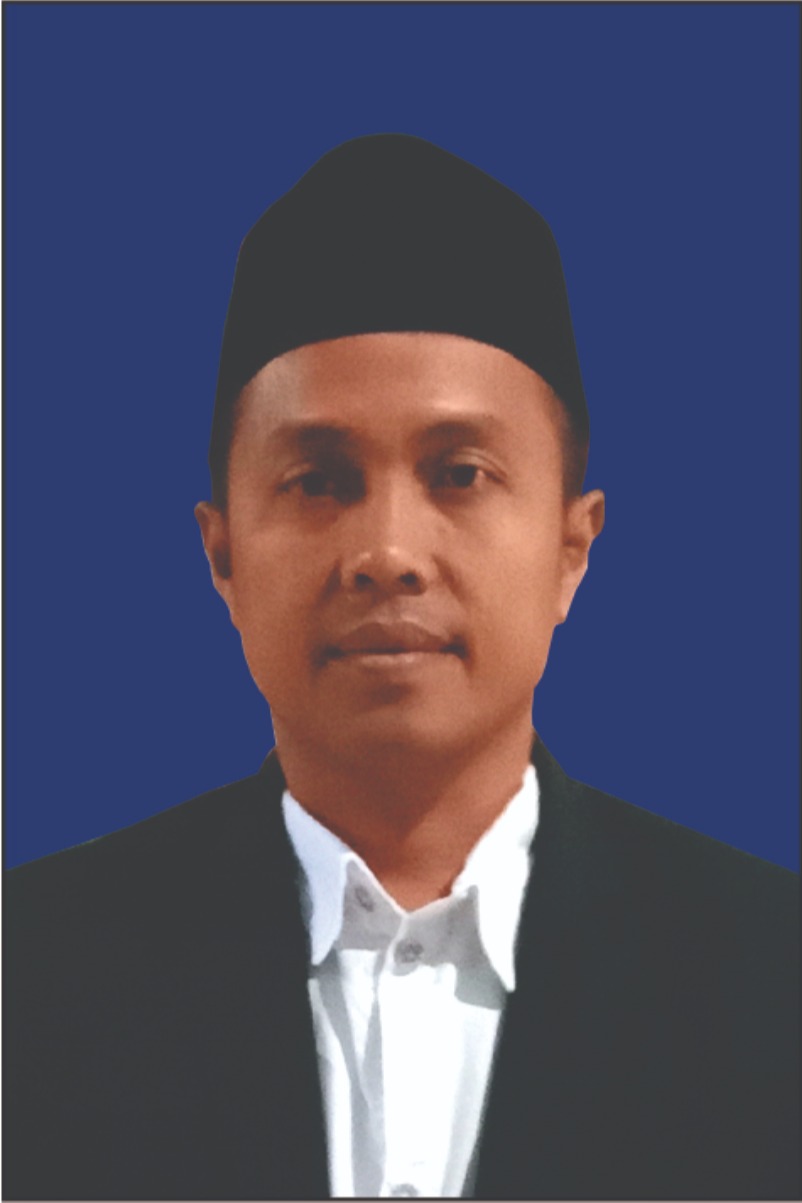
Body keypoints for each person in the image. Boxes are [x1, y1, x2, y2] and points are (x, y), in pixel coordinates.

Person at [5, 135, 798, 1202]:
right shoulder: (31, 978)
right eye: (319, 479)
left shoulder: (769, 980)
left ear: (571, 548)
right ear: (223, 555)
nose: (386, 552)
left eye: (459, 473)